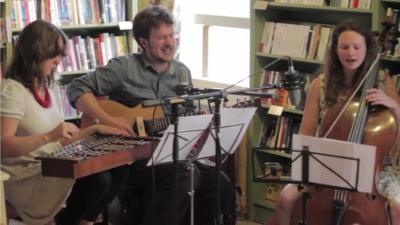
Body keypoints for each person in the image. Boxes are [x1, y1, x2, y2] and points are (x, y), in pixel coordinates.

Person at [66, 5, 236, 225]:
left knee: (220, 183)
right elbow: (76, 88)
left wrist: (199, 126)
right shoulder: (124, 67)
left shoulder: (181, 72)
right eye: (161, 37)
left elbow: (186, 118)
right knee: (183, 177)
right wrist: (109, 119)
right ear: (143, 42)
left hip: (169, 154)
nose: (169, 43)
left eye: (171, 35)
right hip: (132, 159)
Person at [265, 20, 400, 225]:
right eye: (344, 47)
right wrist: (305, 170)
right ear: (335, 50)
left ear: (367, 49)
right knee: (286, 199)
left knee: (397, 207)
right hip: (327, 164)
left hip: (373, 171)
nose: (350, 53)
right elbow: (307, 133)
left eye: (356, 47)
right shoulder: (321, 84)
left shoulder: (383, 81)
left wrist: (393, 105)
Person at [0, 20, 128, 225]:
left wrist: (95, 129)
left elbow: (62, 140)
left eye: (62, 54)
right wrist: (48, 137)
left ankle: (78, 219)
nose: (59, 60)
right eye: (55, 53)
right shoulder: (11, 90)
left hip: (54, 162)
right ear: (36, 51)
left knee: (120, 173)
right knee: (98, 180)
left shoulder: (48, 88)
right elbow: (3, 146)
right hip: (27, 173)